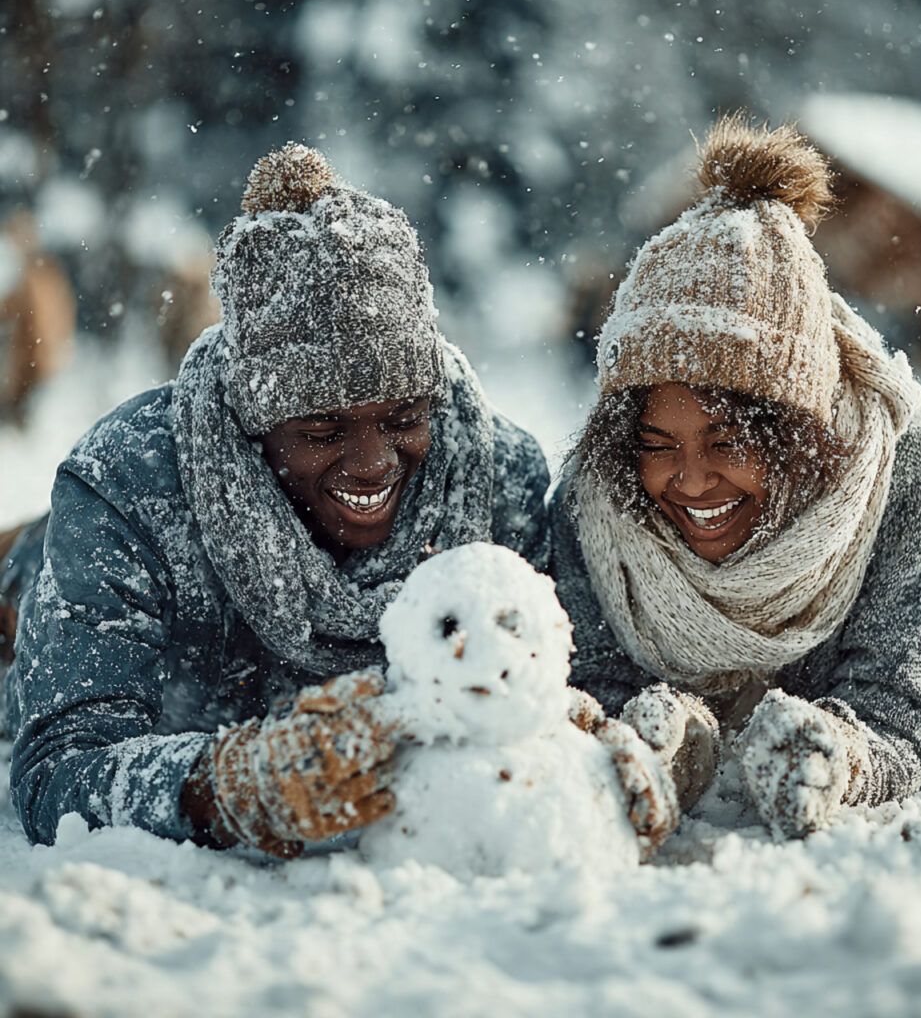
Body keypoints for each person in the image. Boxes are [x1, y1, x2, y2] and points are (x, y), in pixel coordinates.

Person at [0, 143, 562, 858]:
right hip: (28, 594)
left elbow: (552, 700)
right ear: (250, 422)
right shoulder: (127, 487)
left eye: (402, 418)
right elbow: (58, 771)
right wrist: (226, 785)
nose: (373, 462)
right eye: (323, 428)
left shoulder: (494, 478)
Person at [549, 116, 921, 839]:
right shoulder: (596, 501)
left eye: (726, 442)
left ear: (798, 432)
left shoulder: (905, 476)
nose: (690, 482)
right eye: (658, 444)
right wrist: (664, 737)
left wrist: (841, 758)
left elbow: (900, 709)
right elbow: (594, 677)